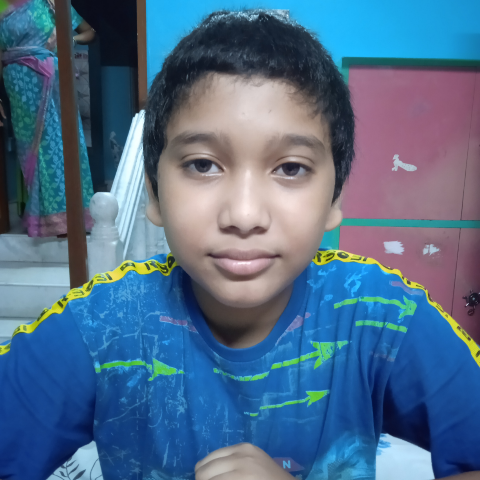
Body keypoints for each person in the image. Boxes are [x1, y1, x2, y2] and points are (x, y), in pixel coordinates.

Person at [1, 9, 480, 480]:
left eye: (290, 168)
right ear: (155, 193)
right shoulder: (100, 326)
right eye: (203, 165)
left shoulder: (381, 314)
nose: (245, 215)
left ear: (335, 197)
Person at [0, 0, 95, 237]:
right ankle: (44, 219)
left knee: (60, 144)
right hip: (18, 85)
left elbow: (89, 32)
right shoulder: (3, 6)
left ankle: (69, 218)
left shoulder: (51, 3)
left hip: (51, 80)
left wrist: (68, 40)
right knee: (31, 150)